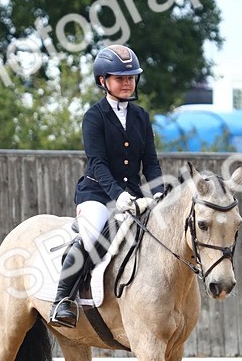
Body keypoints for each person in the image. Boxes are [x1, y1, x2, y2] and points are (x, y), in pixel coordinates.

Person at [50, 43, 165, 327]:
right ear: (103, 81)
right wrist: (119, 195)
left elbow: (149, 162)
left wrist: (159, 191)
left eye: (131, 77)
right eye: (119, 78)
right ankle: (62, 300)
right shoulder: (94, 117)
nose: (127, 83)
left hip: (134, 197)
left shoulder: (141, 117)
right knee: (91, 236)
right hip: (97, 194)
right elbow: (97, 163)